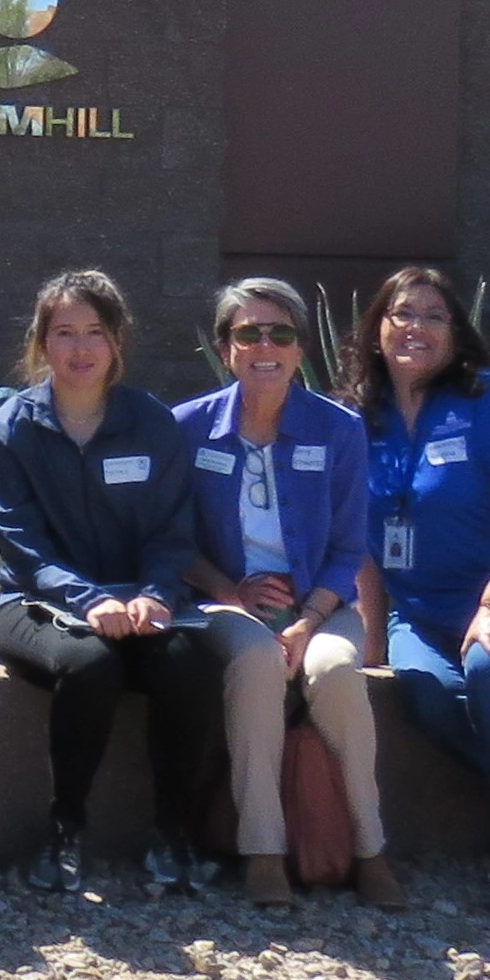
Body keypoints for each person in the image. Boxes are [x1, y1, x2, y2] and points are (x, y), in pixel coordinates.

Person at [345, 265, 490, 922]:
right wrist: (371, 644)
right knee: (420, 696)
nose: (416, 327)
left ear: (455, 333)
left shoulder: (488, 397)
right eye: (402, 313)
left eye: (434, 316)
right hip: (422, 616)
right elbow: (366, 545)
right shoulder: (360, 419)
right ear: (377, 329)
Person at [0, 267, 224, 898]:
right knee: (90, 665)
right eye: (64, 333)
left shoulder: (150, 423)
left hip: (141, 607)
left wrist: (155, 594)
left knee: (188, 663)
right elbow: (22, 547)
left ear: (118, 341)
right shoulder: (11, 429)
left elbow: (174, 530)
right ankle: (64, 834)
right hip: (34, 605)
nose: (80, 349)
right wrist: (91, 601)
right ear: (41, 343)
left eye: (95, 332)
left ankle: (173, 837)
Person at [173, 278, 400, 911]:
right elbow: (171, 539)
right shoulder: (186, 428)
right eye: (249, 332)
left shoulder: (339, 430)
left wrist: (307, 619)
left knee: (335, 672)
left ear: (301, 348)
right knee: (253, 661)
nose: (265, 345)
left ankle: (370, 848)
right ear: (226, 348)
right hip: (225, 603)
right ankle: (263, 852)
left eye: (282, 333)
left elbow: (350, 544)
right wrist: (228, 591)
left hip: (321, 604)